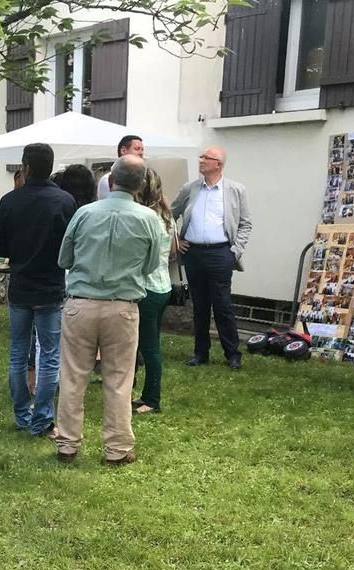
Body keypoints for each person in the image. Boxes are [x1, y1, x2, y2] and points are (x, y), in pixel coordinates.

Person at [55, 155, 161, 465]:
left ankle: (67, 445)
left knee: (73, 376)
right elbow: (152, 264)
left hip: (80, 304)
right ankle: (116, 449)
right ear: (141, 185)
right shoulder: (148, 219)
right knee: (119, 379)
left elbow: (64, 258)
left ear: (111, 180)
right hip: (122, 307)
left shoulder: (84, 213)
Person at [0, 142, 77, 436]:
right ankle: (41, 419)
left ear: (25, 167)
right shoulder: (65, 201)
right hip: (51, 286)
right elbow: (71, 247)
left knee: (18, 352)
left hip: (21, 287)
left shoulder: (9, 201)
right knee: (50, 354)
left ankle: (21, 415)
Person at [172, 146, 253, 369]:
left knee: (222, 304)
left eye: (206, 158)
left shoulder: (235, 190)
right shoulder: (190, 189)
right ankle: (200, 352)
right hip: (194, 253)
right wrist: (176, 241)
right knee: (199, 305)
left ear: (218, 164)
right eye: (201, 157)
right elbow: (170, 215)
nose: (201, 160)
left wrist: (234, 251)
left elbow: (246, 223)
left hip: (221, 253)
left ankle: (232, 353)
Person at [132, 167, 176, 414]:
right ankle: (146, 394)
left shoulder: (144, 218)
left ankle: (152, 399)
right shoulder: (165, 215)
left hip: (147, 288)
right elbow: (170, 252)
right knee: (150, 344)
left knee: (148, 346)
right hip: (162, 285)